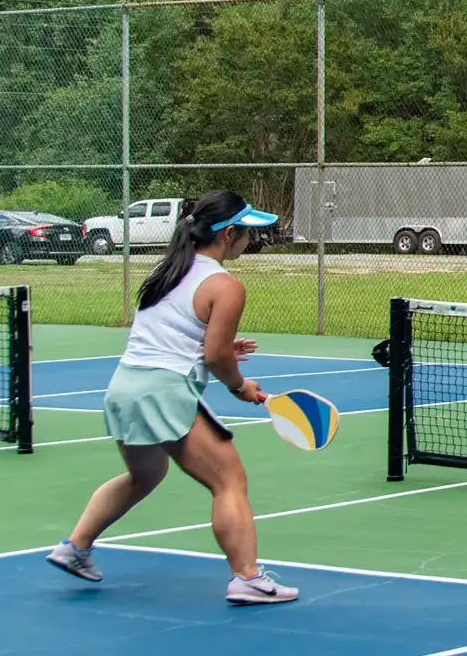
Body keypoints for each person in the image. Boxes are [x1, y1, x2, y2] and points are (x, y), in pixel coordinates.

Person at [45, 190, 299, 604]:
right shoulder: (225, 285)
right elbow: (215, 355)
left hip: (125, 388)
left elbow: (175, 336)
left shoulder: (167, 272)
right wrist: (240, 386)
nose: (250, 241)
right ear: (229, 234)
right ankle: (248, 579)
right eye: (247, 233)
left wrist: (216, 353)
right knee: (229, 481)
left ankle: (76, 548)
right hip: (164, 391)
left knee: (145, 476)